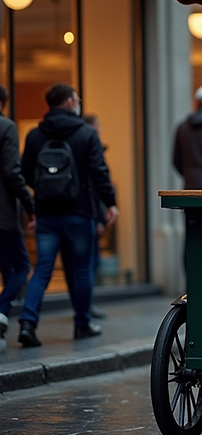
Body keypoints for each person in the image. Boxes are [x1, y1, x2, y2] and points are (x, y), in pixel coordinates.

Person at [19, 84, 118, 346]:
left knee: (41, 270)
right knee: (82, 270)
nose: (78, 103)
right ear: (68, 102)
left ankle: (27, 323)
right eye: (76, 99)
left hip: (47, 215)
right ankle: (82, 324)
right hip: (79, 212)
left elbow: (25, 173)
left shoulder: (35, 135)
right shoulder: (86, 133)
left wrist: (44, 191)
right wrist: (110, 202)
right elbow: (99, 172)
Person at [0, 86, 35, 344]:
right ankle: (1, 309)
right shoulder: (6, 127)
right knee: (22, 265)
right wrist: (29, 203)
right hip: (2, 214)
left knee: (7, 265)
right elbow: (12, 172)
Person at [81, 114, 110, 319]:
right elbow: (96, 186)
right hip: (87, 214)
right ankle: (85, 308)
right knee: (89, 264)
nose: (99, 130)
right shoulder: (91, 149)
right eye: (97, 127)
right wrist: (101, 216)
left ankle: (85, 307)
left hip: (86, 213)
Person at [173, 83, 202, 190]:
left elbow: (176, 161)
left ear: (196, 103)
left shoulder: (182, 127)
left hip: (190, 188)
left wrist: (193, 177)